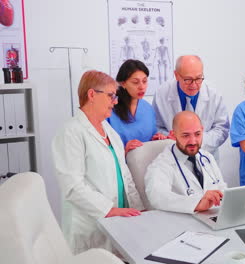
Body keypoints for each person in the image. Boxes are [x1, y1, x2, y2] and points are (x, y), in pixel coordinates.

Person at [52, 70, 143, 254]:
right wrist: (109, 210)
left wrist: (139, 210)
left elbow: (124, 176)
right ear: (91, 95)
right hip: (90, 227)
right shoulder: (71, 132)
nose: (115, 102)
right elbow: (73, 187)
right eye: (111, 96)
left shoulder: (109, 130)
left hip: (119, 222)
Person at [145, 111, 226, 214]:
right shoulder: (162, 164)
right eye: (185, 135)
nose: (193, 141)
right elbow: (157, 197)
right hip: (181, 224)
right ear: (173, 135)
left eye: (197, 134)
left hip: (212, 217)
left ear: (202, 131)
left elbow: (222, 187)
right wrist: (197, 203)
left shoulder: (207, 157)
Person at [152, 55, 229, 158]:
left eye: (198, 78)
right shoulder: (162, 94)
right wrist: (170, 138)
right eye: (188, 80)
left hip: (205, 155)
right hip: (172, 156)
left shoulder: (213, 94)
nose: (194, 85)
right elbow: (156, 126)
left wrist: (196, 140)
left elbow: (222, 129)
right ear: (176, 75)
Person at [107, 59, 166, 154]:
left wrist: (157, 139)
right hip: (120, 164)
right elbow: (102, 148)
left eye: (144, 81)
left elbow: (151, 137)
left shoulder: (148, 109)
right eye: (135, 82)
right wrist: (124, 151)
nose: (141, 87)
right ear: (123, 84)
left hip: (145, 163)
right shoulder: (110, 109)